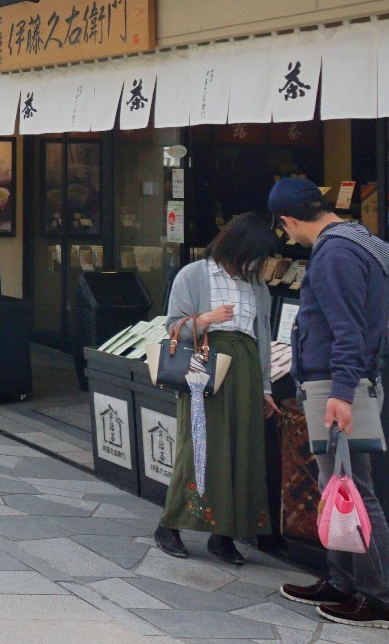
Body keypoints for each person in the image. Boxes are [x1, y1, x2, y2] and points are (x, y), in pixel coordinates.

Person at [271, 176, 389, 631]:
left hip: (338, 385)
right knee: (339, 488)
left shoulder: (335, 254)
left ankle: (383, 598)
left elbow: (348, 331)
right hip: (339, 383)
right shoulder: (355, 243)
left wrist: (342, 394)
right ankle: (345, 582)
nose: (288, 236)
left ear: (290, 220)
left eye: (285, 228)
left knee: (354, 491)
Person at [155, 212, 278, 566]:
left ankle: (224, 536)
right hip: (205, 370)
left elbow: (263, 336)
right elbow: (173, 328)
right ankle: (170, 525)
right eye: (255, 254)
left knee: (242, 451)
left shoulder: (257, 285)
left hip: (246, 370)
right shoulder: (194, 274)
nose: (258, 263)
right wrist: (206, 320)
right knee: (198, 447)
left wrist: (265, 386)